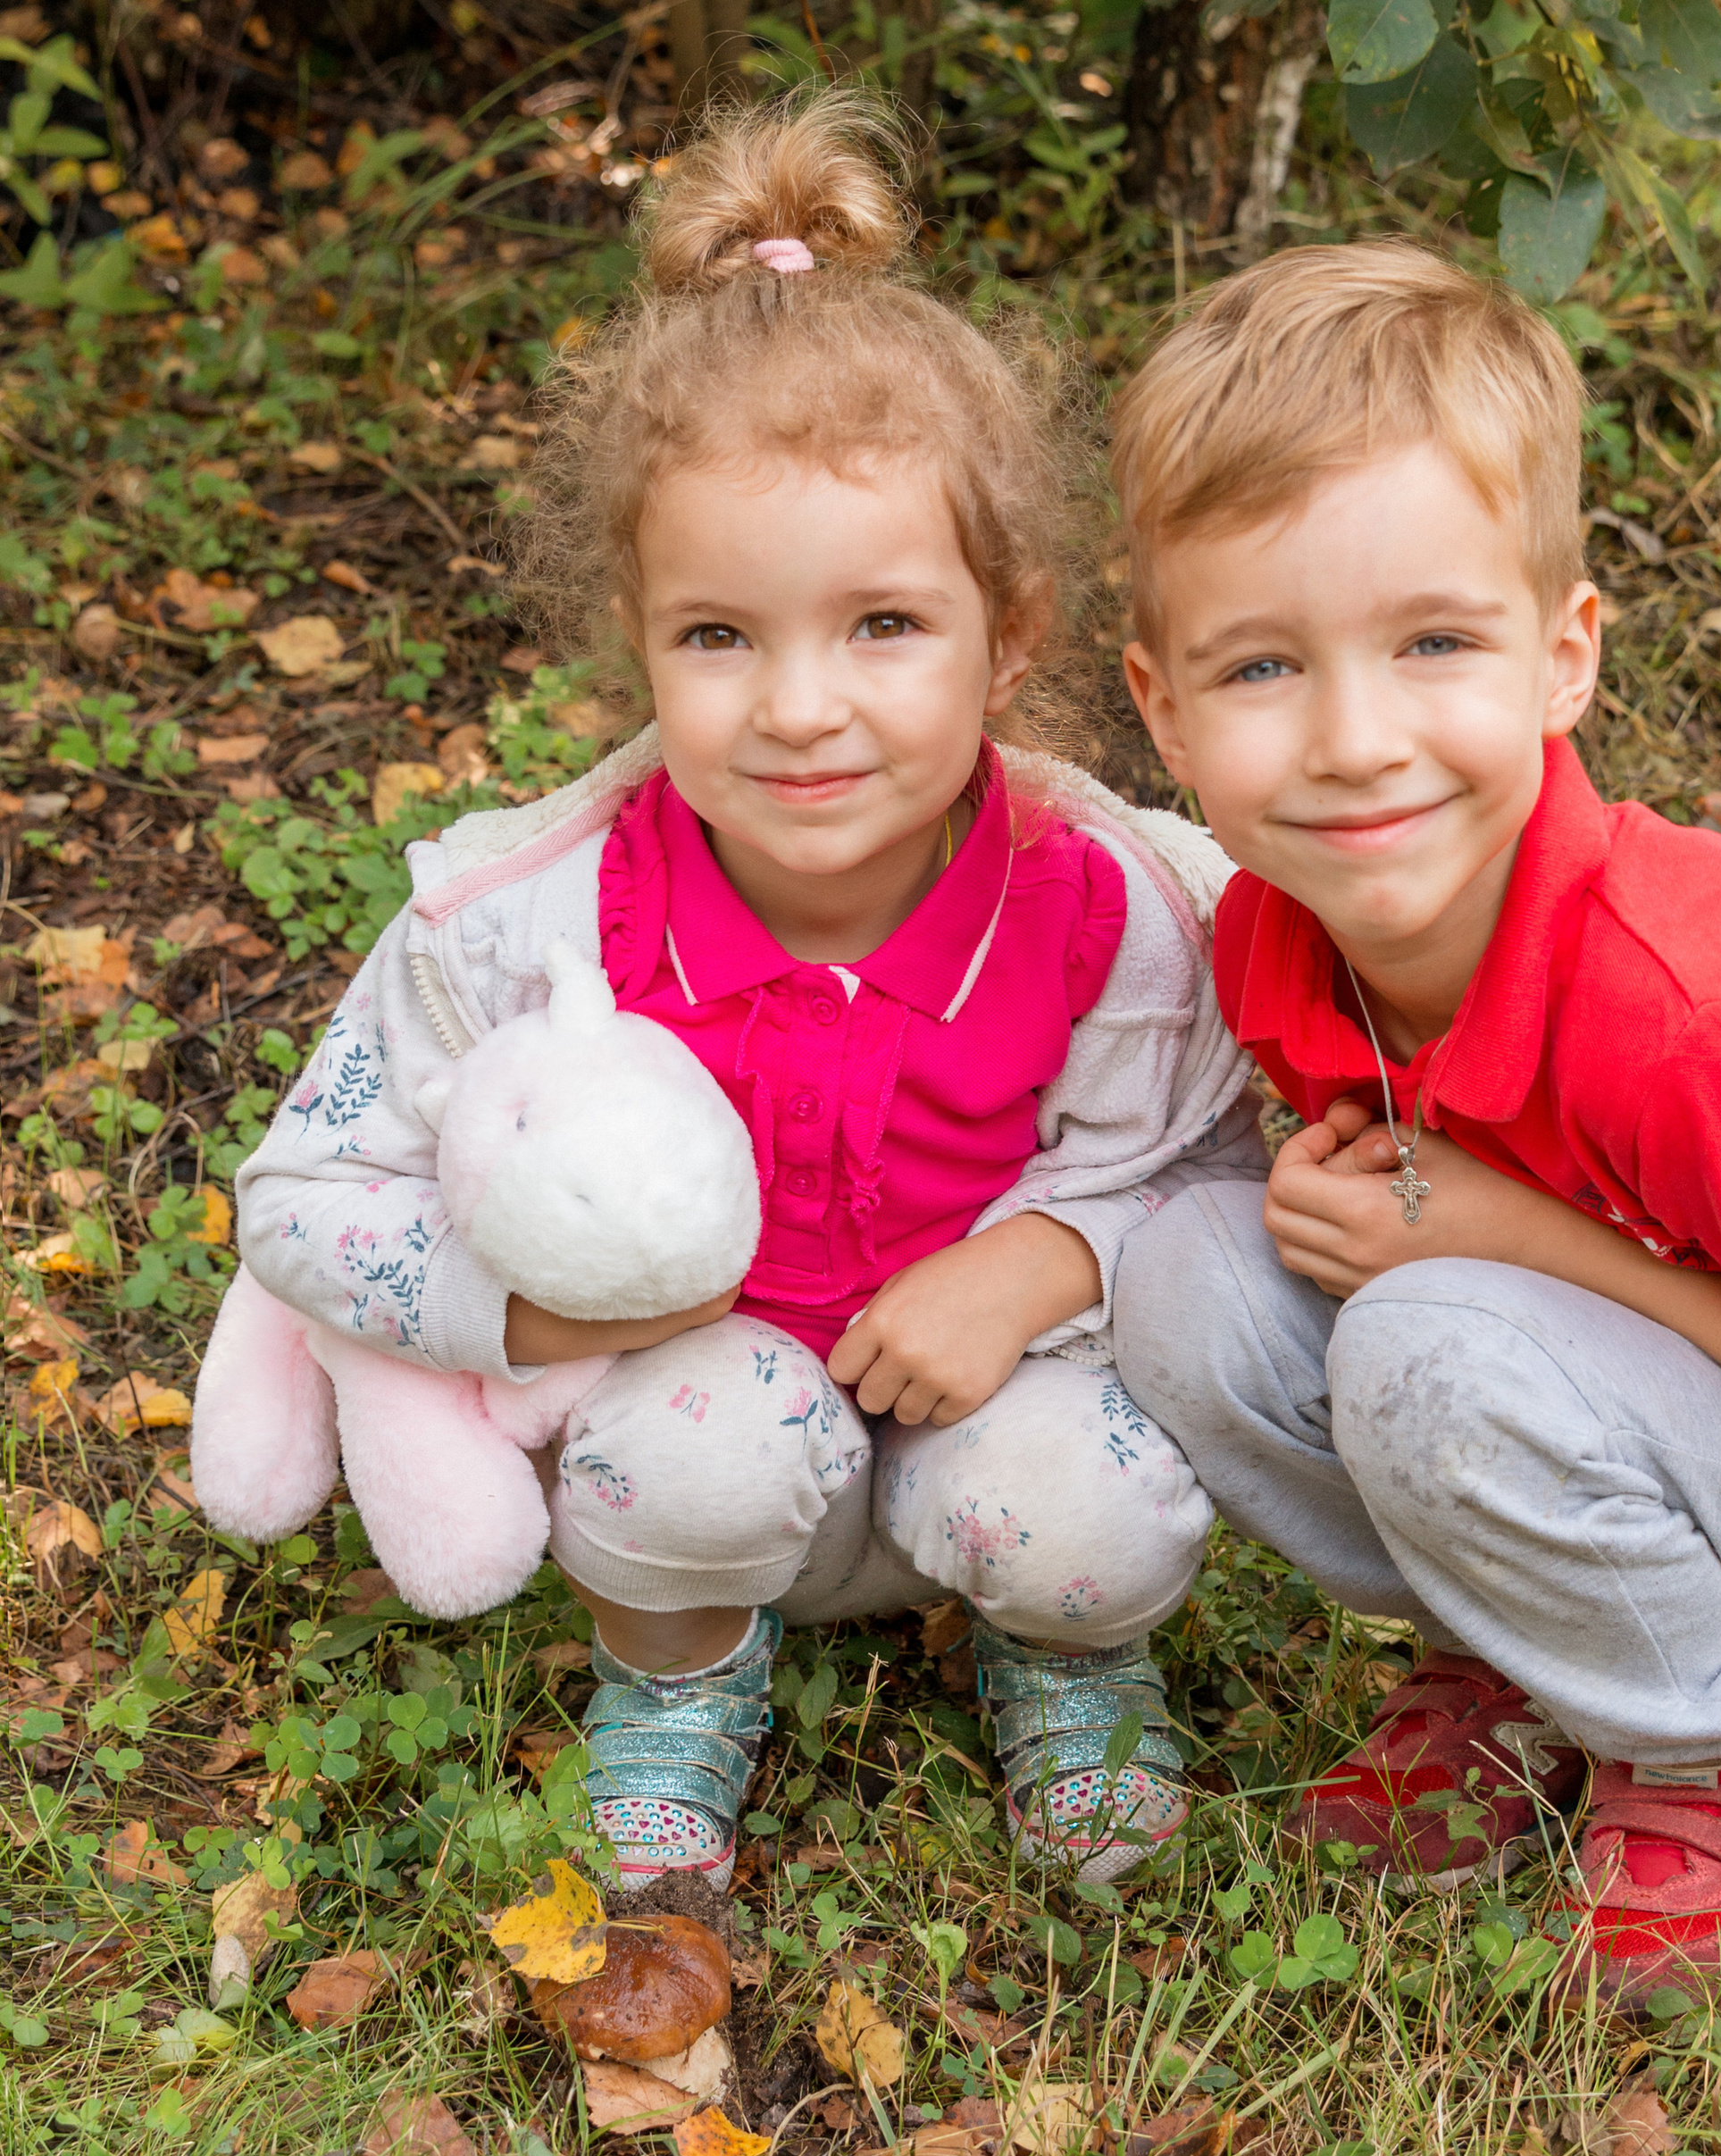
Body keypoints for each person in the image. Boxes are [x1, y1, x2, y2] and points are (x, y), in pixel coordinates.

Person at [233, 93, 1258, 1892]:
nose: (798, 707)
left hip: (997, 1416)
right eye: (719, 636)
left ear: (1004, 634)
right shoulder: (529, 925)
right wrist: (531, 1323)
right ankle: (681, 1674)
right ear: (635, 636)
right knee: (698, 1450)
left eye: (881, 626)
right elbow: (299, 1201)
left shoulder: (1107, 908)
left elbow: (1211, 1174)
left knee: (1081, 1510)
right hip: (689, 1436)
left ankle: (1067, 1650)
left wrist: (1034, 1264)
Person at [1107, 240, 1721, 2001]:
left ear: (1562, 657)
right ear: (1162, 709)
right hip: (1624, 1399)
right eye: (1261, 669)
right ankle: (1532, 1658)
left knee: (1426, 1331)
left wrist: (1495, 1236)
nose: (1353, 741)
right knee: (1186, 1271)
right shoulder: (1278, 932)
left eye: (1432, 643)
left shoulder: (1685, 1027)